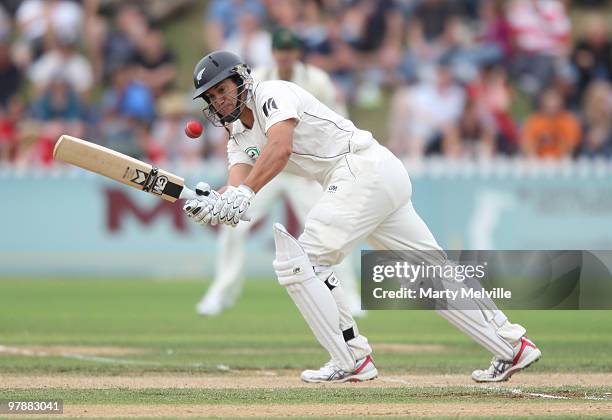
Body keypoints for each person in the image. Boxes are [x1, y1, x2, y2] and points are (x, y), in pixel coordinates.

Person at [183, 50, 541, 383]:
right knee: (427, 274)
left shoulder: (272, 93)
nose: (218, 100)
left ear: (241, 79)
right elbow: (237, 186)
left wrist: (244, 194)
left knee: (303, 261)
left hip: (359, 169)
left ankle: (350, 357)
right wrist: (213, 204)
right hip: (375, 175)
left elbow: (280, 147)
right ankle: (512, 347)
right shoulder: (236, 136)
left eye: (222, 90)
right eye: (211, 98)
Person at [196, 29, 362, 317]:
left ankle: (349, 297)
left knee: (328, 232)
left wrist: (245, 191)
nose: (284, 55)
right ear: (274, 53)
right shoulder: (257, 76)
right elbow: (241, 142)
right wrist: (226, 198)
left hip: (307, 169)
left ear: (296, 52)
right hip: (268, 168)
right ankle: (221, 292)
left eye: (289, 50)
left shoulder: (314, 80)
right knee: (232, 226)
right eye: (280, 50)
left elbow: (332, 122)